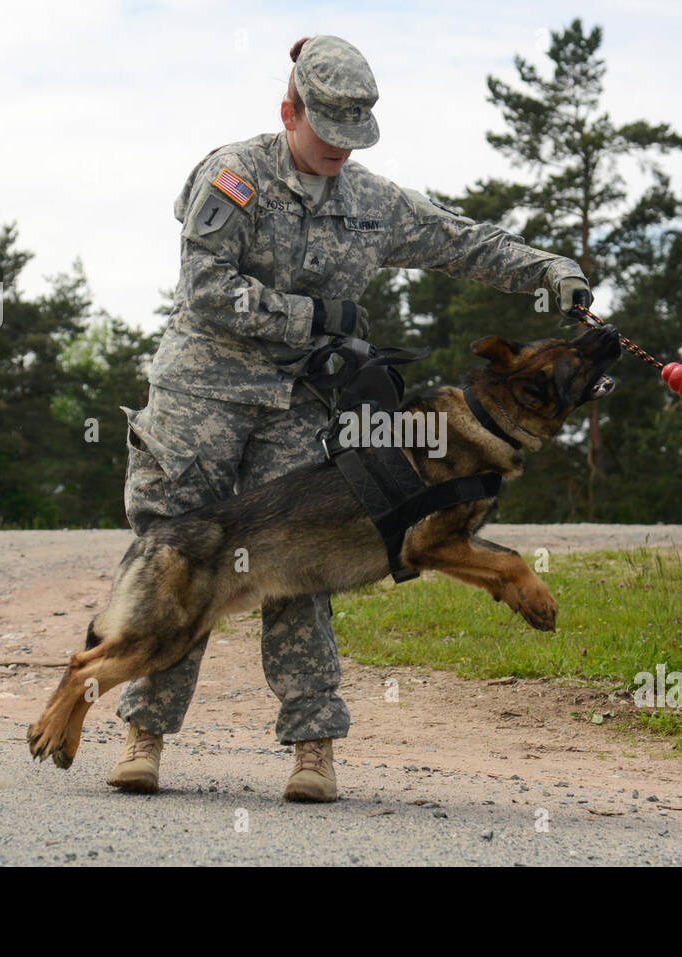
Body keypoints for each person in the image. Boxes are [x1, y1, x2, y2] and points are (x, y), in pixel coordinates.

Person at [110, 34, 591, 802]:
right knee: (180, 556)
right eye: (326, 131)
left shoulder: (372, 202)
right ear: (288, 110)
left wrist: (549, 271)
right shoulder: (233, 177)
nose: (339, 148)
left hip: (300, 405)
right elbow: (206, 288)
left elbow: (460, 241)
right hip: (202, 395)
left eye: (352, 136)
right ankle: (145, 732)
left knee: (299, 559)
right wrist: (317, 314)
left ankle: (312, 747)